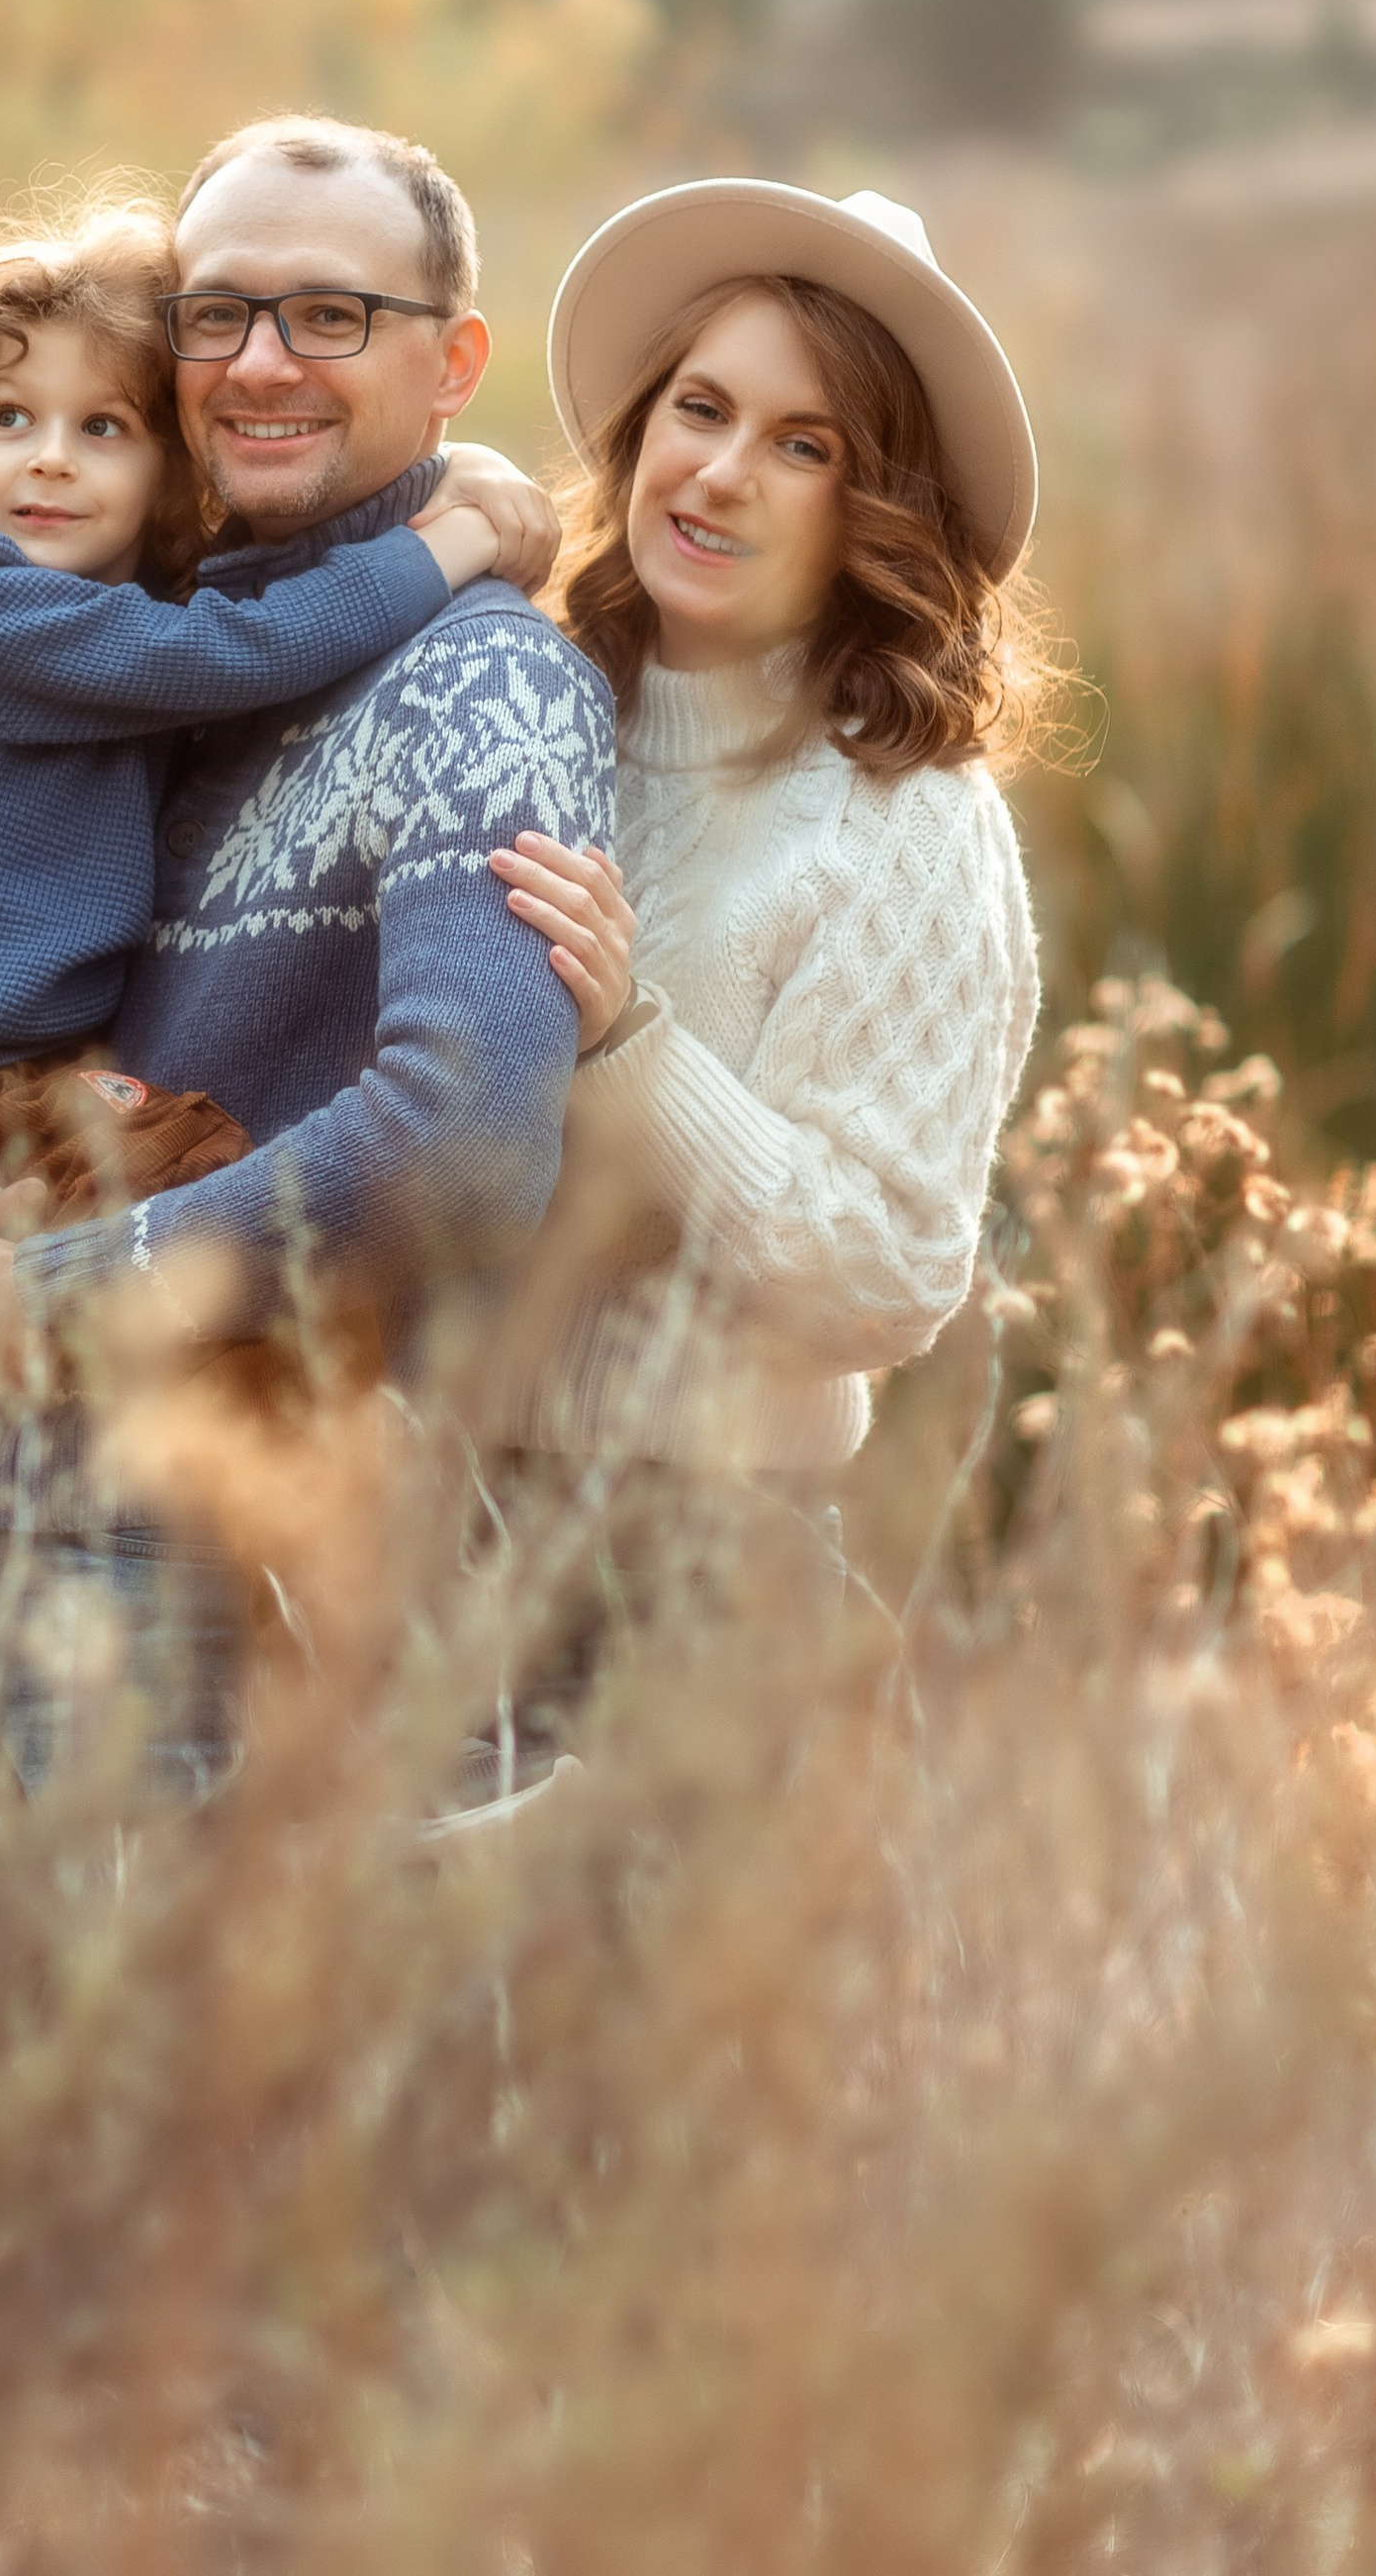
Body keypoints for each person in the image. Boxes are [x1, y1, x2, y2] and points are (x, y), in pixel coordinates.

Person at [0, 116, 624, 1817]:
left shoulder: (479, 684)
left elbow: (465, 1146)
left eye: (332, 315)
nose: (263, 362)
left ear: (452, 362)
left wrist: (55, 1285)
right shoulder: (145, 651)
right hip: (17, 1521)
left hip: (226, 1584)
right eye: (218, 313)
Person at [475, 180, 1049, 1781]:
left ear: (881, 511)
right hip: (411, 1530)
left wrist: (629, 1043)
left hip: (697, 1576)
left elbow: (887, 1273)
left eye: (806, 445)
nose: (723, 472)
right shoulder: (510, 710)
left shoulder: (903, 821)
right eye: (702, 408)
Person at [0, 191, 506, 1238]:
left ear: (167, 470)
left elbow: (257, 597)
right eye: (7, 417)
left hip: (23, 1078)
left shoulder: (116, 629)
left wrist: (457, 465)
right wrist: (456, 539)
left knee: (182, 1213)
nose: (50, 456)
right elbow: (254, 642)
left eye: (103, 426)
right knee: (210, 1193)